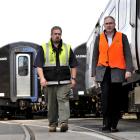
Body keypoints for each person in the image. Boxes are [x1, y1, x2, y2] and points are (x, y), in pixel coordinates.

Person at [92, 16, 133, 132]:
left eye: (111, 23)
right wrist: (94, 73)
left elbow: (127, 54)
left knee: (116, 99)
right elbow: (95, 56)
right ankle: (106, 124)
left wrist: (129, 69)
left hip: (118, 71)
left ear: (115, 24)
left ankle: (114, 124)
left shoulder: (122, 37)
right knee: (105, 99)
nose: (109, 25)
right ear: (104, 25)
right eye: (106, 23)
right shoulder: (98, 38)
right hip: (103, 71)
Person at [34, 26, 78, 132]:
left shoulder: (67, 47)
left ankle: (63, 122)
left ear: (61, 35)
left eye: (59, 34)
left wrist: (73, 78)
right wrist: (42, 79)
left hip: (64, 81)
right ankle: (52, 124)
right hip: (49, 82)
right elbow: (38, 66)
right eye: (55, 34)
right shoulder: (44, 48)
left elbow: (74, 65)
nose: (57, 35)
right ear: (51, 35)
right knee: (51, 104)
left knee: (63, 101)